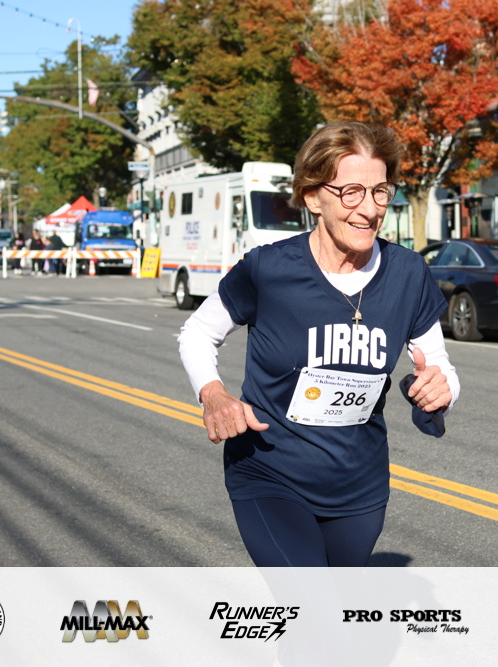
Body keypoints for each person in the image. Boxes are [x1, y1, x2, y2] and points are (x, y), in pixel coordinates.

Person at [178, 121, 459, 567]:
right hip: (270, 475)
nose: (369, 209)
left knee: (333, 606)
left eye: (380, 192)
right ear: (313, 197)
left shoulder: (408, 273)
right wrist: (212, 394)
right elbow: (197, 333)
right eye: (351, 192)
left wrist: (441, 389)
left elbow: (439, 366)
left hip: (359, 486)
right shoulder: (268, 270)